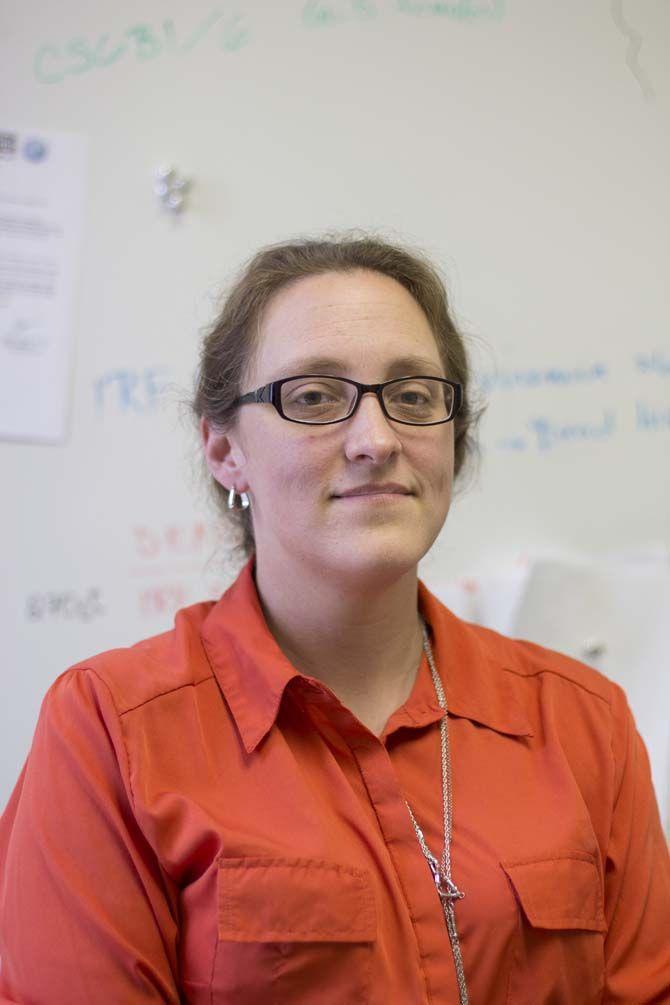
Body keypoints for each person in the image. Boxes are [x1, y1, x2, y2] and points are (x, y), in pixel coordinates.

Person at [0, 233, 668, 1005]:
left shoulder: (586, 723)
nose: (377, 439)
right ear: (224, 449)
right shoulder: (109, 733)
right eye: (314, 396)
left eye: (414, 394)